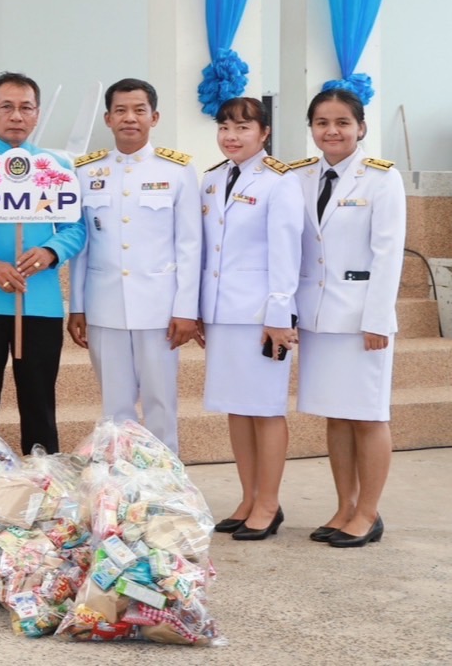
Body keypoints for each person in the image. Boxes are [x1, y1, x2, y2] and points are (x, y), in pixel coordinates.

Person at [292, 88, 406, 548]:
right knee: (336, 417)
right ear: (313, 129)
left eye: (342, 122)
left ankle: (369, 513)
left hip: (363, 320)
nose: (332, 130)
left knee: (368, 416)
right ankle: (344, 507)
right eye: (322, 122)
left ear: (361, 127)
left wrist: (377, 319)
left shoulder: (381, 179)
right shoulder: (300, 177)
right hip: (319, 318)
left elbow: (388, 253)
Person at [0, 72, 86, 455]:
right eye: (6, 107)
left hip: (39, 301)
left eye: (25, 108)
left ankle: (46, 488)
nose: (16, 115)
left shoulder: (56, 168)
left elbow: (76, 228)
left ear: (37, 114)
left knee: (40, 404)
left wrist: (50, 252)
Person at [66, 78, 201, 453]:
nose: (130, 118)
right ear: (107, 119)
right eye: (121, 111)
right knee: (115, 407)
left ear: (154, 117)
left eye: (139, 110)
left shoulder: (177, 171)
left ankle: (166, 486)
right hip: (104, 305)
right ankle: (120, 486)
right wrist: (77, 306)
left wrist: (186, 308)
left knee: (161, 404)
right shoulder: (87, 171)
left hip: (160, 308)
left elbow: (190, 245)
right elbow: (82, 246)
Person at [200, 96, 303, 541]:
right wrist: (201, 311)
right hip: (222, 312)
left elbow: (286, 251)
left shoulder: (280, 182)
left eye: (243, 127)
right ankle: (247, 496)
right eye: (225, 126)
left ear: (264, 134)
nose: (231, 135)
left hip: (262, 314)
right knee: (236, 410)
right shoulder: (211, 180)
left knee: (265, 408)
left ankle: (269, 501)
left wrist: (279, 314)